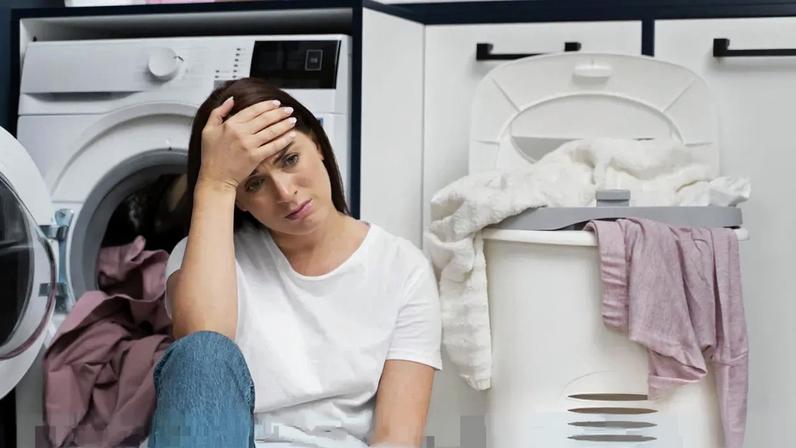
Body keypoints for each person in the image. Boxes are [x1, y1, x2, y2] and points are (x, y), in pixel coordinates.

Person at [148, 78, 442, 448]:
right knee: (203, 352)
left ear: (318, 144)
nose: (286, 193)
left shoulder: (402, 268)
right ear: (238, 200)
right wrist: (215, 183)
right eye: (254, 184)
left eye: (289, 159)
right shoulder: (204, 255)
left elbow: (397, 439)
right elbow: (202, 349)